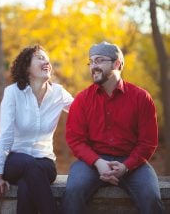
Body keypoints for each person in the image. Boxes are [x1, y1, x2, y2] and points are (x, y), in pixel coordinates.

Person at [61, 41, 164, 214]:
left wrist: (127, 166)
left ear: (117, 63)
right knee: (73, 192)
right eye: (91, 62)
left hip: (132, 161)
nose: (94, 66)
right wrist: (98, 162)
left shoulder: (141, 98)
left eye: (99, 61)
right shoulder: (82, 99)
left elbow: (148, 142)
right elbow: (75, 139)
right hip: (92, 162)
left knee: (151, 197)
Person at [0, 44, 73, 214]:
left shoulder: (58, 93)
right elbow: (5, 135)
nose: (47, 62)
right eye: (40, 58)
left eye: (48, 59)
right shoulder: (12, 93)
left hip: (45, 162)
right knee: (29, 165)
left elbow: (82, 111)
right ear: (27, 66)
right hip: (15, 161)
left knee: (28, 182)